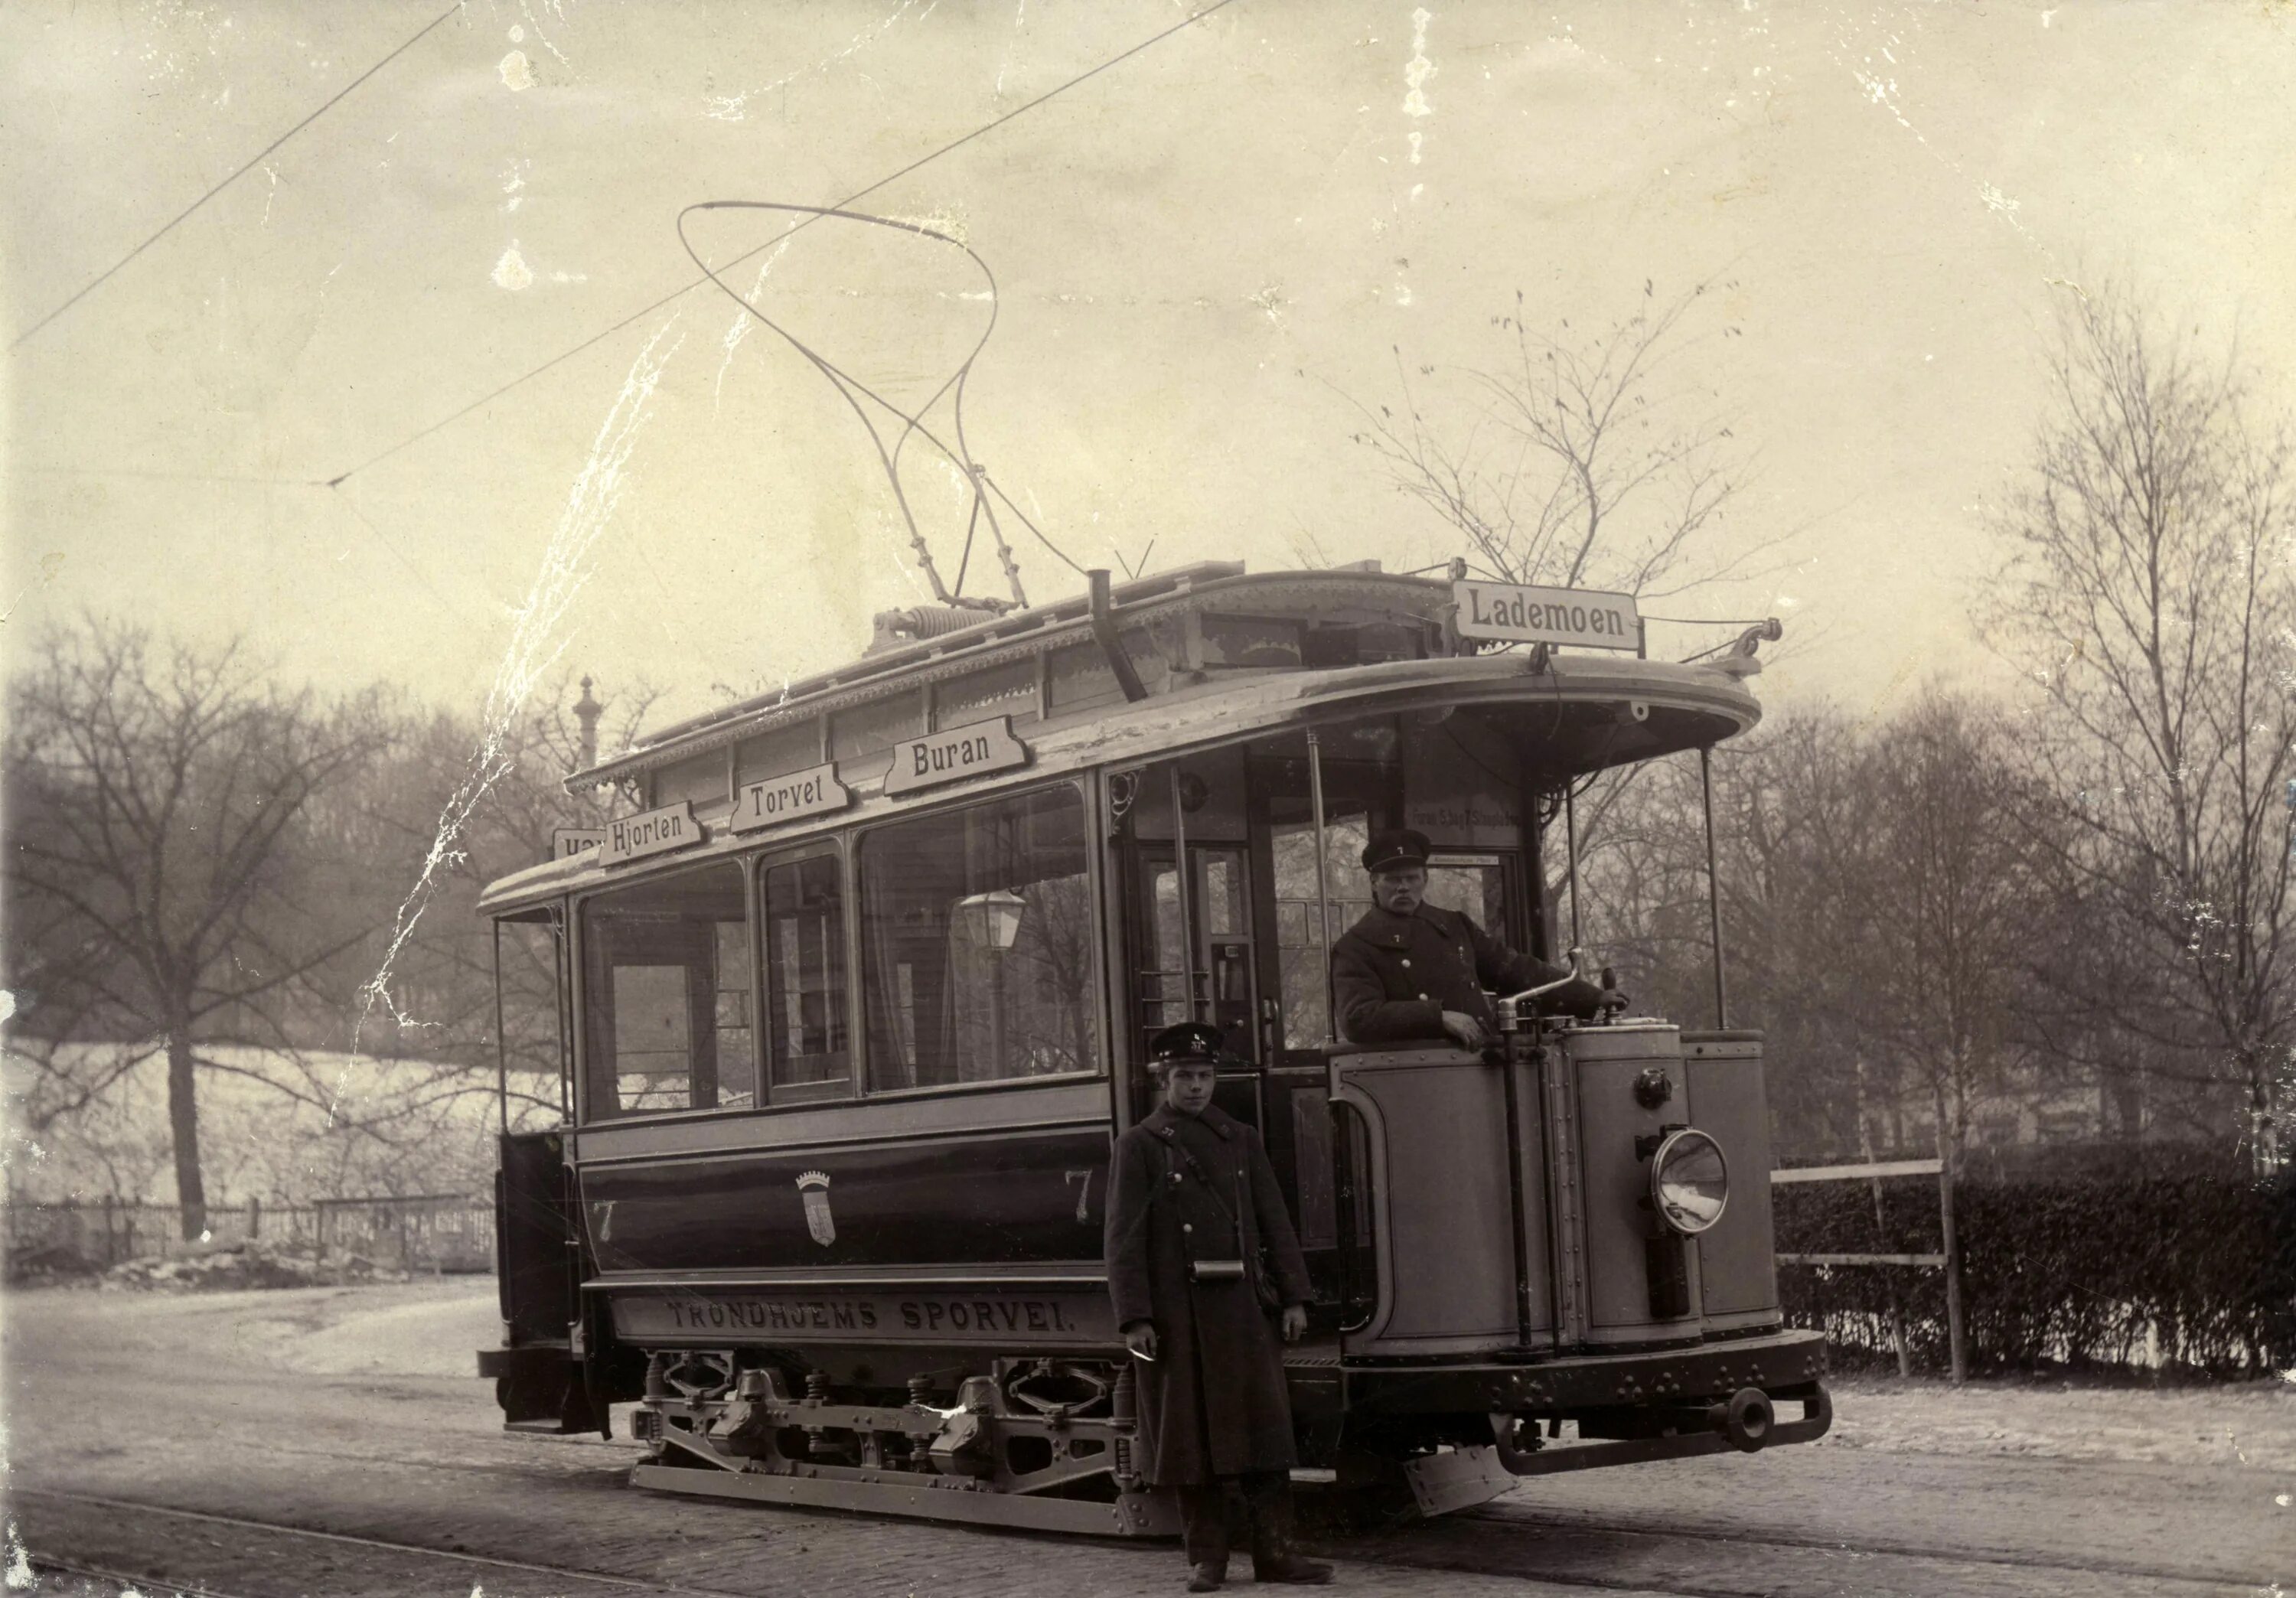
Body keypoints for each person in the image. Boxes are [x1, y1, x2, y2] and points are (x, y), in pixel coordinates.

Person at [1104, 1022, 1333, 1592]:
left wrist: (1295, 1298)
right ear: (1165, 1080)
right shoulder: (1139, 1145)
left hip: (1243, 1314)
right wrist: (1135, 1317)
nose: (1197, 1087)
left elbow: (1274, 1223)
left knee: (1264, 1440)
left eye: (1205, 1077)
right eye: (1185, 1077)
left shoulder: (1240, 1138)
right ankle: (1208, 1561)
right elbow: (1123, 1239)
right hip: (1178, 1319)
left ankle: (1276, 1557)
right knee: (1191, 1447)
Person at [1329, 827, 1624, 1048]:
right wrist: (1437, 1017)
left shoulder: (1454, 926)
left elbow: (1515, 969)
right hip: (1416, 1077)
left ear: (1425, 879)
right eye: (1393, 880)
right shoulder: (1356, 946)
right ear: (1374, 883)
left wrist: (1591, 997)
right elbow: (1359, 1019)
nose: (1403, 887)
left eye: (1411, 878)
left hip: (1481, 1063)